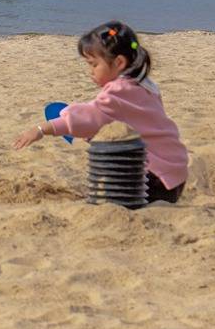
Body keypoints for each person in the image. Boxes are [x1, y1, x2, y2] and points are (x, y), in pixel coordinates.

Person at [11, 21, 189, 204]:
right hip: (176, 170)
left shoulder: (118, 91)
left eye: (94, 64)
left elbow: (90, 119)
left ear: (119, 62)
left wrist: (41, 129)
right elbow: (113, 113)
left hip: (154, 177)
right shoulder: (145, 84)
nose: (91, 72)